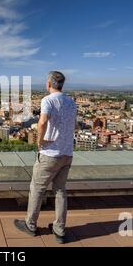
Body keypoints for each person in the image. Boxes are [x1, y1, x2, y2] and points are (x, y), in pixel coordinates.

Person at [14, 71, 77, 244]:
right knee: (60, 191)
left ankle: (30, 225)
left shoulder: (48, 100)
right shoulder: (71, 102)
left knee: (37, 188)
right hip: (67, 153)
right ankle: (60, 229)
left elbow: (42, 122)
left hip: (50, 153)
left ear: (49, 84)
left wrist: (39, 142)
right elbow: (73, 125)